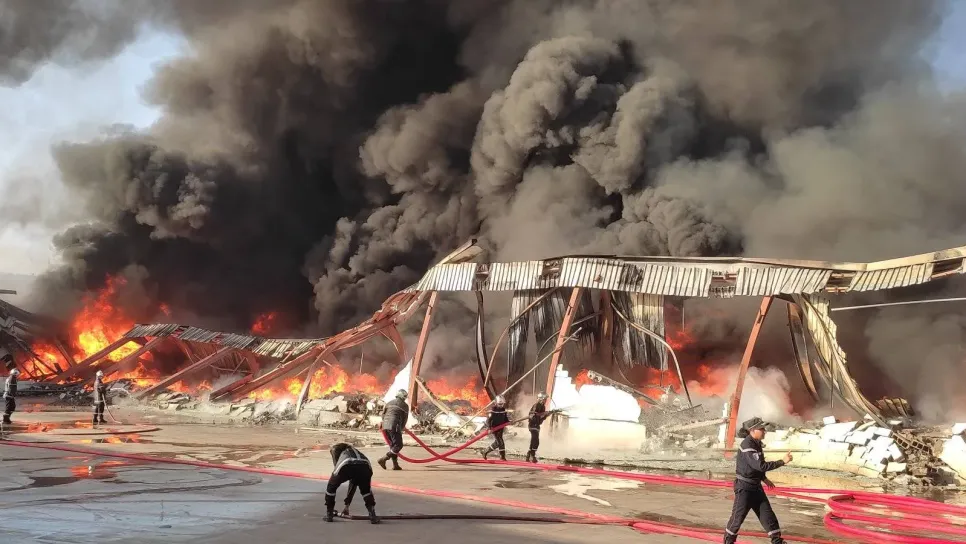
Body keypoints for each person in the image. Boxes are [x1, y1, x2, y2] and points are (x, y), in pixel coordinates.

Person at [724, 417, 793, 544]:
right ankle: (728, 541)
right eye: (761, 429)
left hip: (756, 487)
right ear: (753, 430)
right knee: (737, 518)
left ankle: (777, 541)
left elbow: (756, 466)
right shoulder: (747, 445)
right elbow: (760, 466)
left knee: (768, 516)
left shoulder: (756, 443)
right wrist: (782, 462)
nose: (764, 431)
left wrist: (764, 478)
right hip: (744, 488)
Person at [325, 442, 379, 524]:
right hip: (365, 466)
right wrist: (347, 506)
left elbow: (352, 481)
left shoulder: (339, 451)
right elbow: (353, 482)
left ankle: (329, 514)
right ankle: (372, 515)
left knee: (331, 488)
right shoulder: (356, 452)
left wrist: (347, 505)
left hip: (346, 465)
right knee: (366, 491)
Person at [377, 389, 409, 471]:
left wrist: (385, 423)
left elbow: (383, 415)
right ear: (402, 396)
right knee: (398, 445)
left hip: (385, 426)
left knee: (393, 446)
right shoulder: (404, 405)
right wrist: (401, 428)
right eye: (405, 396)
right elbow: (405, 419)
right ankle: (383, 459)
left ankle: (395, 465)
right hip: (395, 425)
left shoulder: (389, 403)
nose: (405, 397)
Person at [525, 392, 552, 463]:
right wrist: (543, 414)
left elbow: (541, 418)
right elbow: (532, 415)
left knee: (533, 440)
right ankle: (532, 455)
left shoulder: (543, 407)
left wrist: (547, 415)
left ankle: (529, 455)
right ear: (541, 399)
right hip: (532, 425)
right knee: (536, 440)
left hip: (537, 425)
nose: (545, 401)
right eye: (545, 399)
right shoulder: (536, 405)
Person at [481, 395, 510, 461]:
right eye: (499, 404)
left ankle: (502, 457)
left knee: (500, 442)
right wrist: (489, 428)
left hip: (501, 428)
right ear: (496, 403)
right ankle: (486, 452)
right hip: (494, 428)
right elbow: (488, 420)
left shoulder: (503, 410)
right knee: (499, 442)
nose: (501, 405)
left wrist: (508, 422)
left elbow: (505, 418)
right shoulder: (493, 410)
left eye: (502, 404)